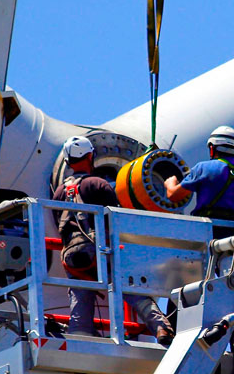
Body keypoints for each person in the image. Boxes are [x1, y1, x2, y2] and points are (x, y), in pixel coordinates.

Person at [53, 136, 175, 344]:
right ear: (90, 156)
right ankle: (161, 327)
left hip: (72, 257)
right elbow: (116, 219)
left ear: (68, 162)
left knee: (79, 294)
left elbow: (58, 224)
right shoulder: (98, 184)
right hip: (99, 251)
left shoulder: (59, 193)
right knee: (130, 286)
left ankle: (80, 337)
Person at [164, 126, 234, 229]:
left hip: (209, 230)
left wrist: (170, 183)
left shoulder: (203, 168)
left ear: (212, 148)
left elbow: (174, 196)